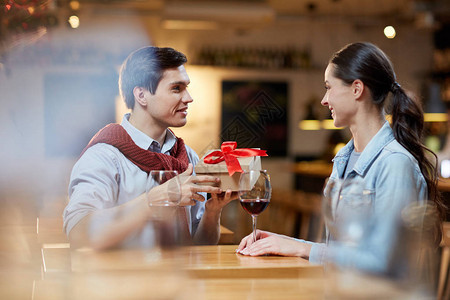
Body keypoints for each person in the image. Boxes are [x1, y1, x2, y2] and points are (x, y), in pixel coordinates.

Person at [237, 42, 446, 276]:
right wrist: (281, 243)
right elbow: (343, 252)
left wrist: (302, 248)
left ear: (357, 89)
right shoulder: (344, 159)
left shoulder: (395, 163)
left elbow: (383, 261)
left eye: (329, 87)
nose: (324, 100)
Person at [63, 46, 236, 250]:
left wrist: (212, 212)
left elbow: (199, 246)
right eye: (176, 88)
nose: (189, 98)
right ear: (141, 95)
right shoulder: (104, 156)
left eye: (186, 88)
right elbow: (79, 232)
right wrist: (155, 199)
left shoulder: (187, 155)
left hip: (180, 279)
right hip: (125, 279)